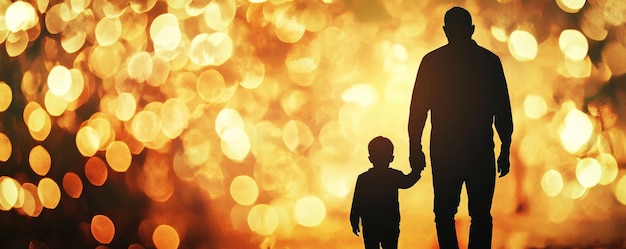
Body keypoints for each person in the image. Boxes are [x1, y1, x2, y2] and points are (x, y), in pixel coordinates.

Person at [408, 6, 513, 249]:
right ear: (472, 29)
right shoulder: (489, 62)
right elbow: (502, 109)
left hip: (445, 150)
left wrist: (416, 147)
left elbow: (418, 110)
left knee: (444, 213)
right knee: (481, 214)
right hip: (481, 149)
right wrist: (505, 147)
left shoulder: (431, 62)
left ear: (445, 31)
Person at [350, 136, 422, 249]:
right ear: (391, 158)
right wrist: (417, 171)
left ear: (370, 158)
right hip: (388, 223)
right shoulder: (393, 176)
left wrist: (354, 219)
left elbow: (357, 202)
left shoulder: (364, 178)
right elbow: (408, 181)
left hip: (372, 224)